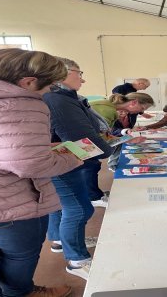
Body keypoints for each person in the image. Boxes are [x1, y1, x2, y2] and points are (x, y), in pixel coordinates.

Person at [0, 48, 83, 297]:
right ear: (28, 82)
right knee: (20, 257)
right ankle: (22, 293)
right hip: (7, 205)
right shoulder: (20, 102)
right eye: (49, 86)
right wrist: (75, 155)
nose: (49, 93)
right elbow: (27, 164)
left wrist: (40, 148)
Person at [43, 57, 117, 281]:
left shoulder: (58, 97)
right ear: (62, 73)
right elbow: (80, 136)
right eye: (79, 72)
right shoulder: (57, 99)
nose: (82, 79)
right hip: (62, 163)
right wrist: (107, 150)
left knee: (60, 206)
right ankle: (77, 260)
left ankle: (59, 240)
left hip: (58, 161)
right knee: (79, 209)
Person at [90, 93, 155, 172]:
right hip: (81, 148)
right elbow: (101, 138)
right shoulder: (108, 110)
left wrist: (129, 140)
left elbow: (106, 135)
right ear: (134, 102)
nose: (141, 111)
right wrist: (128, 140)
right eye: (142, 108)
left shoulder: (110, 108)